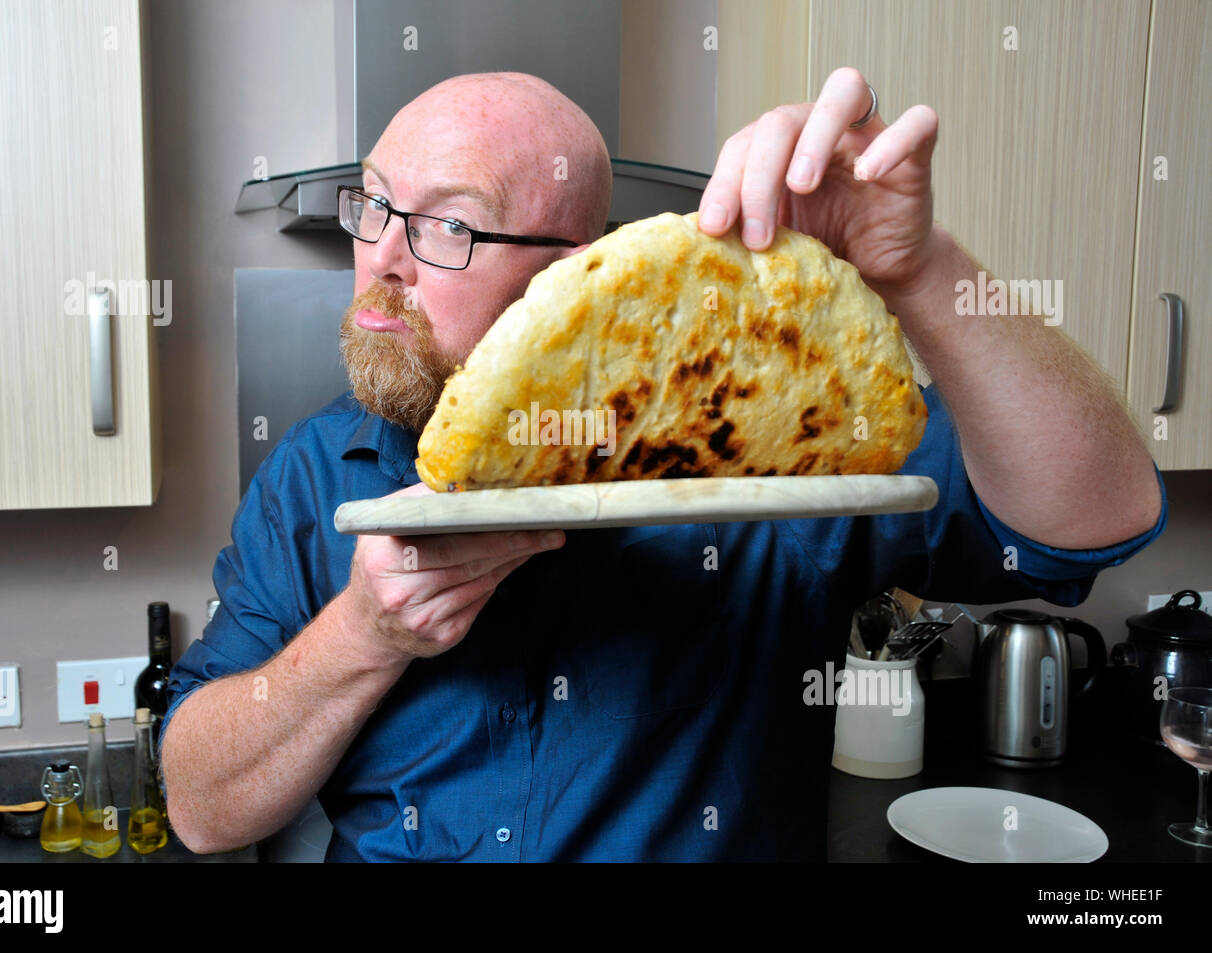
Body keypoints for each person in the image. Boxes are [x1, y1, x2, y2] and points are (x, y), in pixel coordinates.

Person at [159, 70, 1167, 861]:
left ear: (569, 278)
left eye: (448, 226)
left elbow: (1091, 515)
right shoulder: (313, 471)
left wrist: (917, 267)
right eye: (372, 206)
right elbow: (202, 808)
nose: (382, 256)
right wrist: (363, 635)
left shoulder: (768, 456)